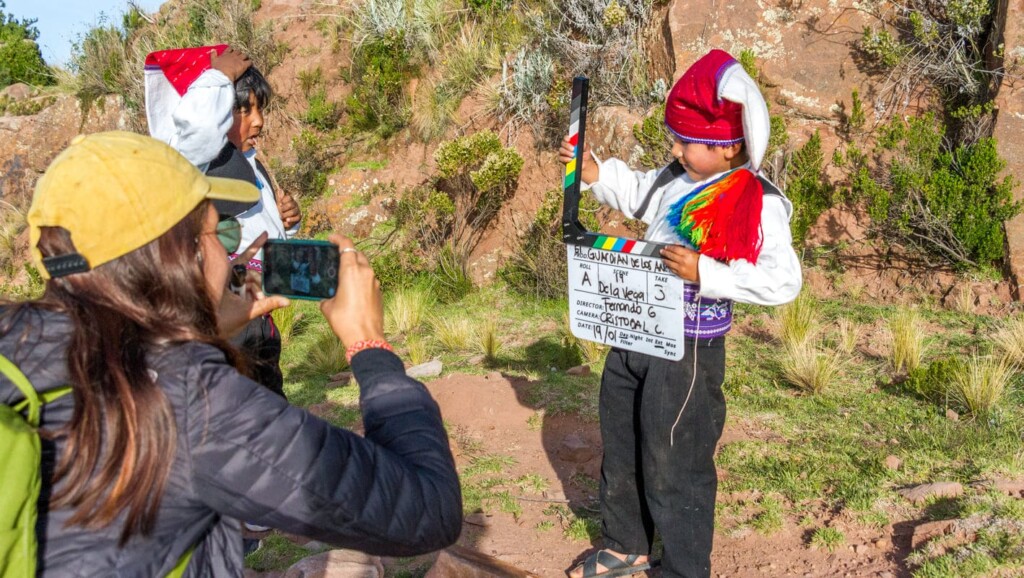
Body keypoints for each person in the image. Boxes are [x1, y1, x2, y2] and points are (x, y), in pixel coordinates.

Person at [1, 131, 461, 576]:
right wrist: (369, 344)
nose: (229, 253)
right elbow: (428, 507)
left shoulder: (14, 342)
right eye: (216, 233)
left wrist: (202, 324)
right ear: (178, 257)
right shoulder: (190, 401)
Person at [557, 49, 802, 578]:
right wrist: (596, 172)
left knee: (676, 459)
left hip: (687, 349)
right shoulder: (678, 174)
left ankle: (685, 569)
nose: (675, 148)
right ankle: (627, 545)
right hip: (632, 330)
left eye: (686, 141)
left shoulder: (757, 202)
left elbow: (784, 281)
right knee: (621, 442)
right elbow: (640, 192)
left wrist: (707, 273)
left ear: (730, 146)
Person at [145, 46, 301, 399]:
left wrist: (288, 225)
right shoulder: (190, 165)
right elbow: (196, 134)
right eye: (243, 110)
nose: (258, 121)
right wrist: (217, 79)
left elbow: (264, 244)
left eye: (260, 109)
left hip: (259, 330)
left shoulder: (250, 167)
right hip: (218, 329)